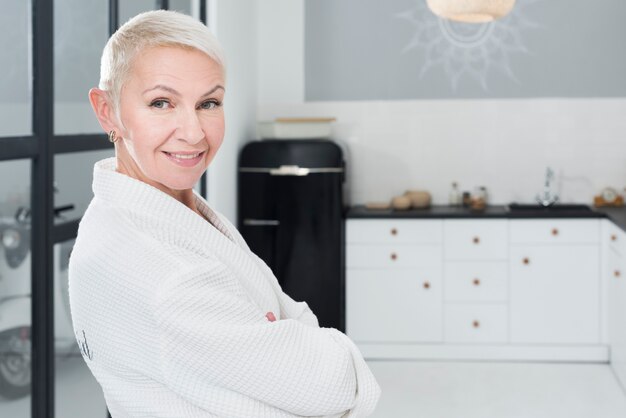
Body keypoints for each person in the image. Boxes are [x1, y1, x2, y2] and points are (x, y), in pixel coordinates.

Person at [68, 10, 380, 418]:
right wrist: (307, 336)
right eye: (161, 103)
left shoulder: (161, 208)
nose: (194, 132)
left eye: (208, 102)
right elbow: (334, 385)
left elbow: (287, 316)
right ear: (107, 110)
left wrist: (278, 327)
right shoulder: (167, 276)